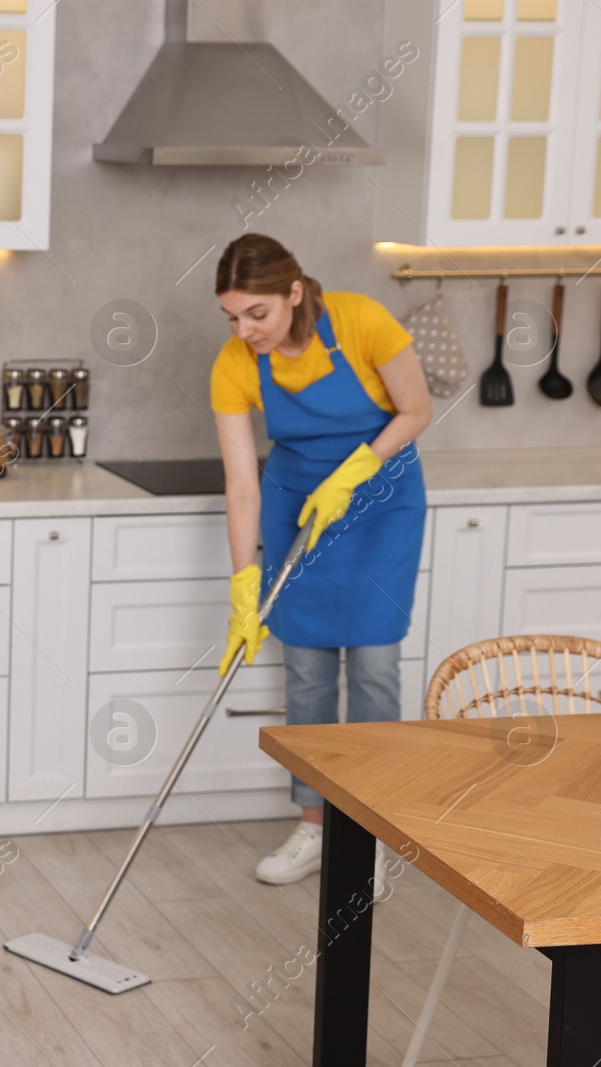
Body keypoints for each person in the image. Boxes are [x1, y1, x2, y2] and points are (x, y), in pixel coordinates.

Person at [211, 234, 430, 885]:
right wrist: (243, 586)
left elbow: (416, 409)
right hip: (296, 509)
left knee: (373, 668)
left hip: (380, 506)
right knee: (305, 673)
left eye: (258, 313)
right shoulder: (234, 363)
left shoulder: (362, 321)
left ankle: (371, 835)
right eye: (232, 316)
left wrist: (357, 468)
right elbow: (242, 484)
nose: (245, 329)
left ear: (294, 293)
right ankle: (313, 826)